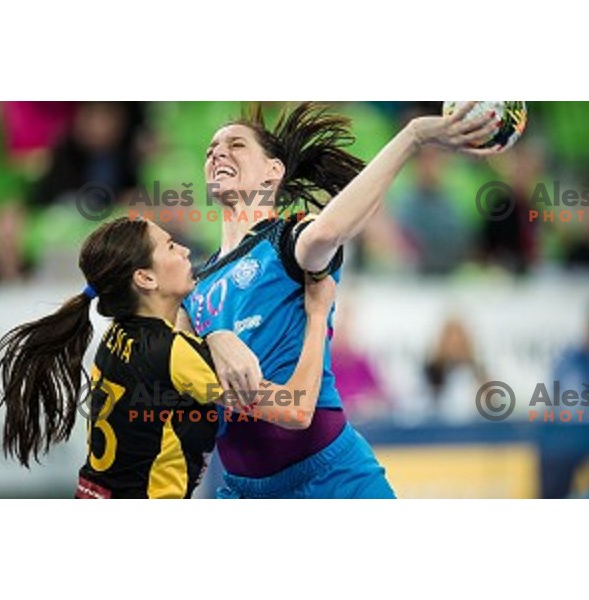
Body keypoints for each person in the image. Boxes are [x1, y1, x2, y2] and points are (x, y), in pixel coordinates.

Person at [182, 101, 498, 499]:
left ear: (273, 171)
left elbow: (328, 232)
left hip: (335, 478)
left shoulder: (287, 239)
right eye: (211, 149)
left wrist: (413, 135)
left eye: (236, 145)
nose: (217, 153)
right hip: (246, 492)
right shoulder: (195, 284)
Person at [0, 217, 335, 499]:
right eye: (171, 246)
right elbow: (296, 409)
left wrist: (217, 335)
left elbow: (182, 337)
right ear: (145, 278)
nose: (186, 250)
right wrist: (318, 315)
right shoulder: (176, 355)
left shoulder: (117, 335)